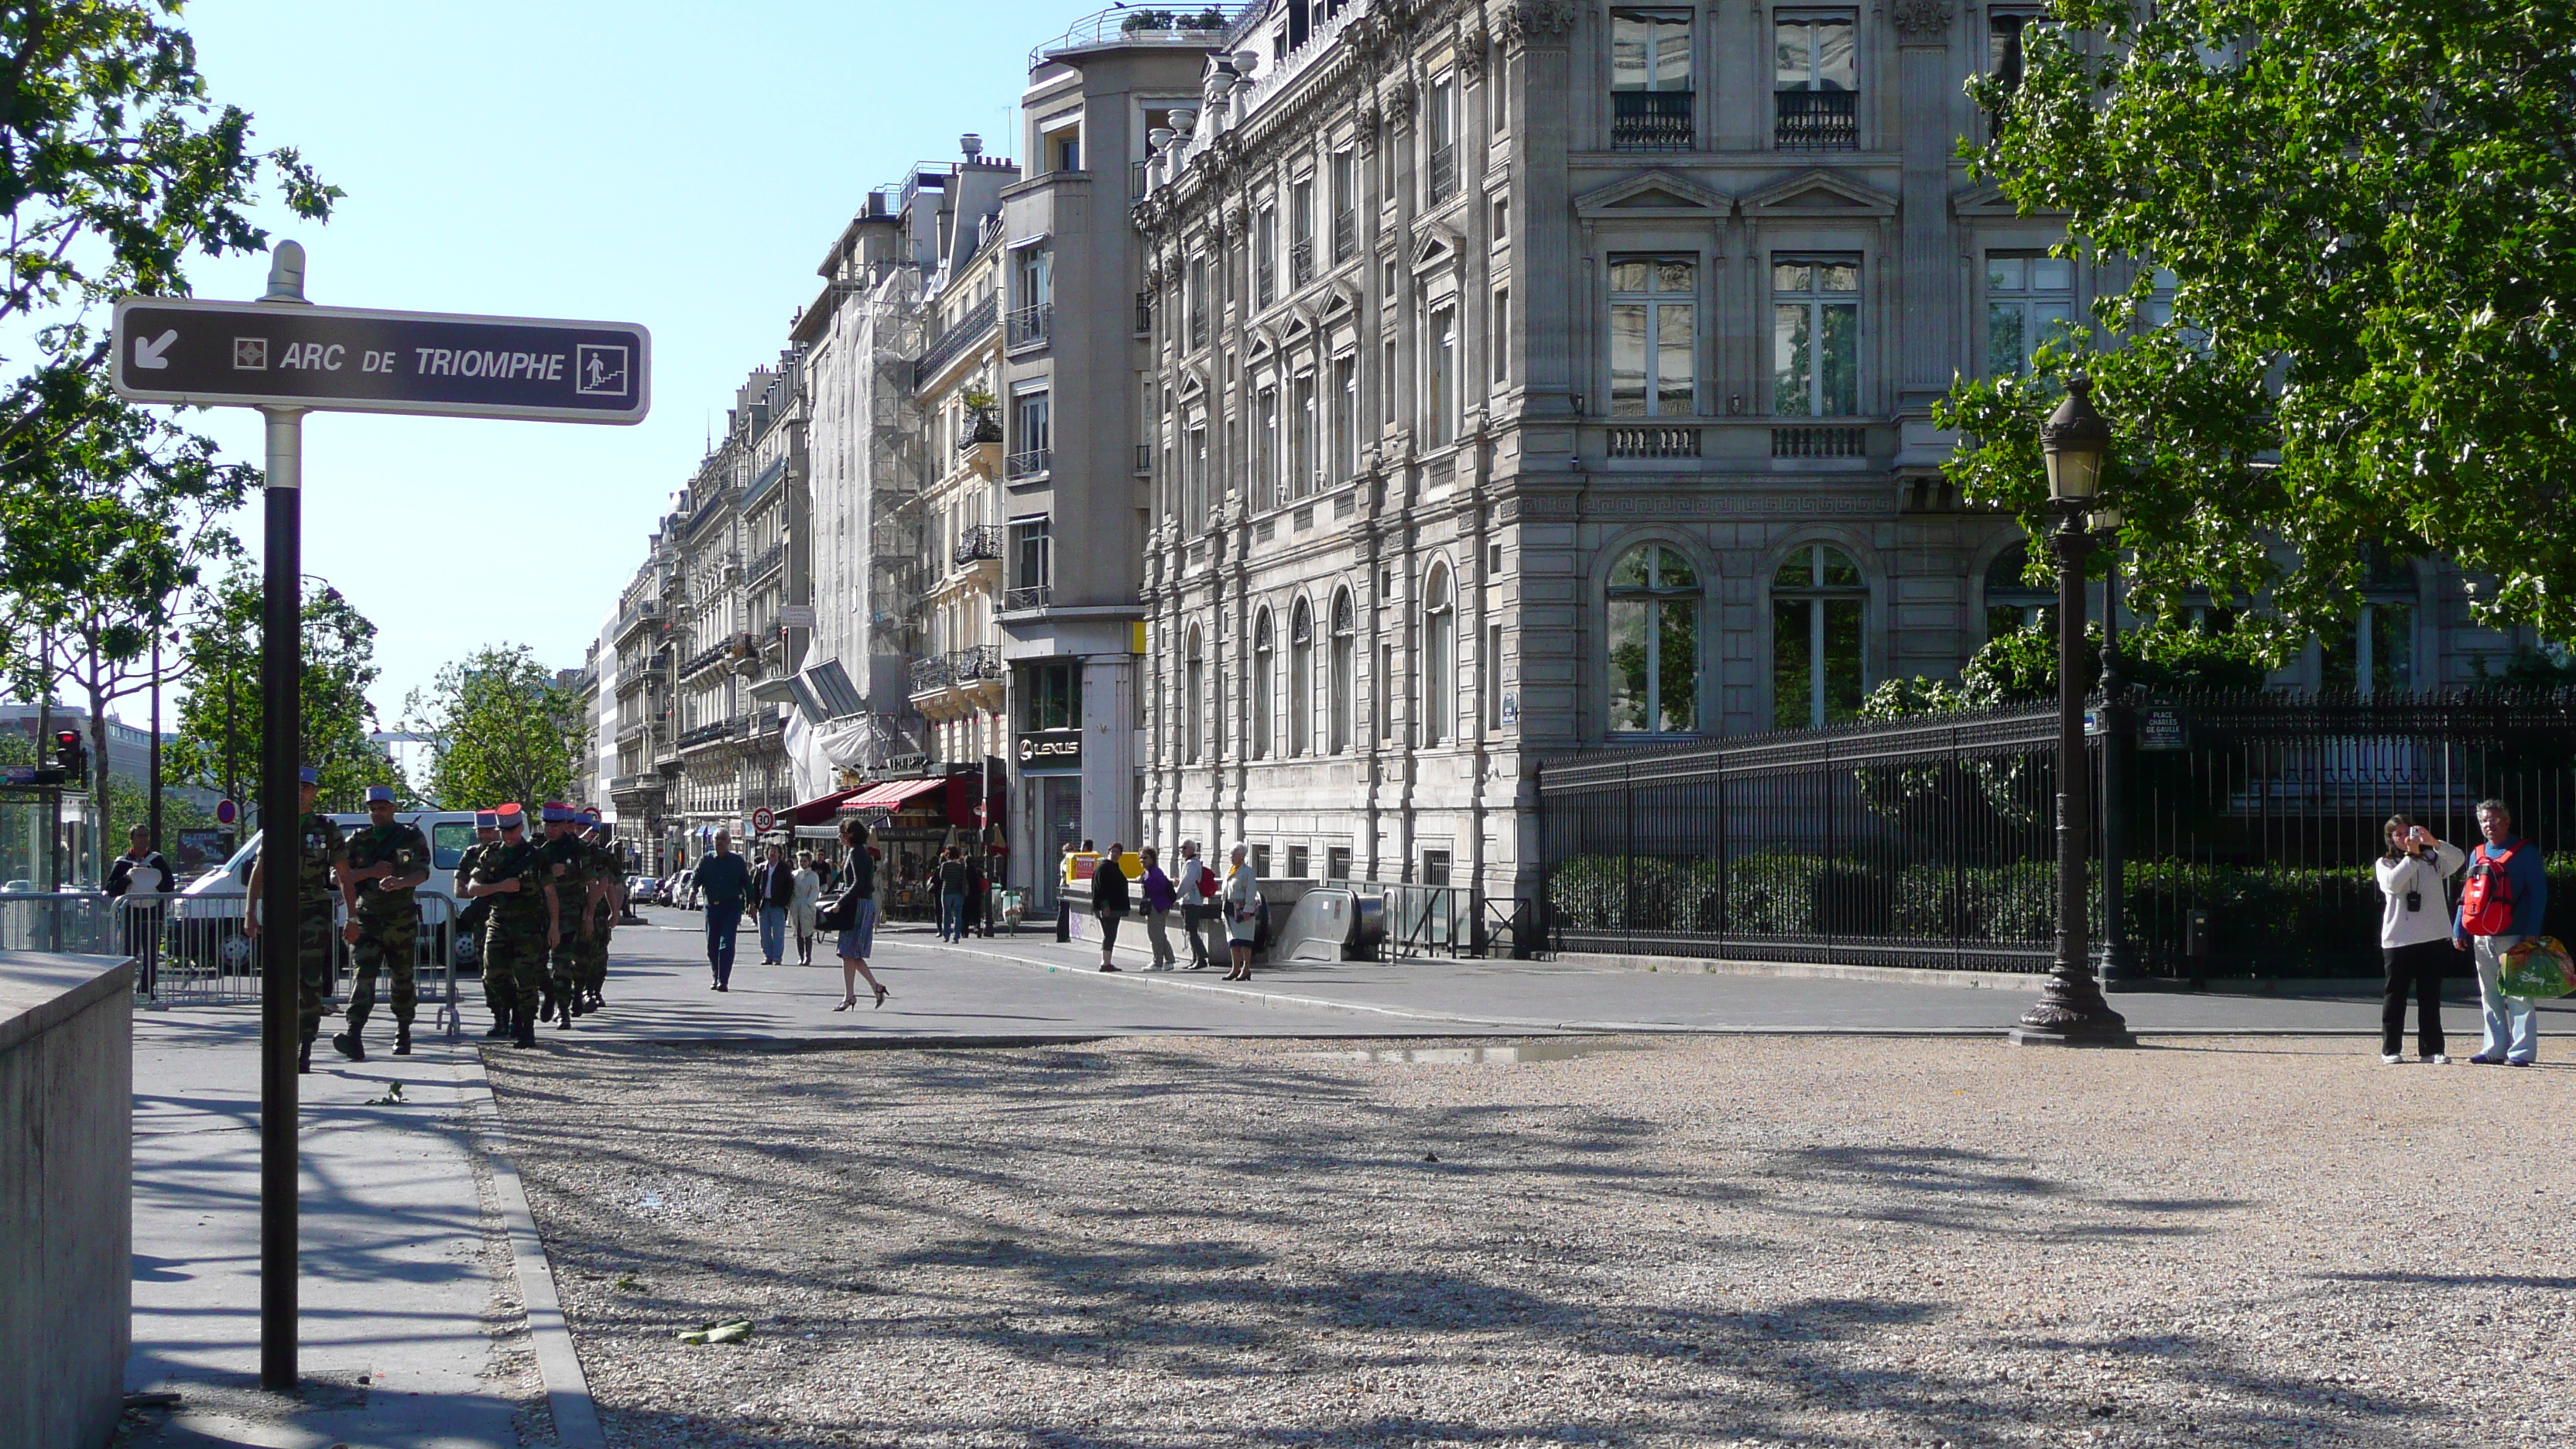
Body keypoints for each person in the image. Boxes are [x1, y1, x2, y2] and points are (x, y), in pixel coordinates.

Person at [242, 767, 348, 1073]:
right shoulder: (276, 826)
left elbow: (343, 874)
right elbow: (259, 873)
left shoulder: (327, 830)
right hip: (280, 913)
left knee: (309, 982)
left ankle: (306, 1045)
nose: (300, 792)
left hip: (313, 912)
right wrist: (251, 913)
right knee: (278, 982)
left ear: (314, 792)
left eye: (306, 787)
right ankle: (280, 1043)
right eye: (296, 787)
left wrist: (352, 915)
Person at [334, 786, 431, 1061]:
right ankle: (354, 1033)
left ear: (393, 809)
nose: (377, 813)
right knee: (362, 975)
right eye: (373, 809)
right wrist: (370, 872)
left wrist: (401, 882)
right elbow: (336, 876)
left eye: (383, 808)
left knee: (402, 976)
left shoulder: (410, 837)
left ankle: (403, 1031)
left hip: (401, 918)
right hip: (367, 919)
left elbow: (423, 871)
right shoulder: (358, 840)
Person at [2454, 798, 2550, 1066]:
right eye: (2485, 820)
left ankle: (2521, 1052)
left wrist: (2532, 930)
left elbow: (2538, 893)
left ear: (2507, 821)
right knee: (2489, 993)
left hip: (2514, 934)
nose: (2489, 825)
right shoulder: (2477, 853)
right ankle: (2494, 1048)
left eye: (2495, 819)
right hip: (2481, 935)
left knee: (2519, 993)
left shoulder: (2525, 852)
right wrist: (2459, 928)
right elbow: (2468, 894)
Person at [460, 803, 550, 1048]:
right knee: (493, 976)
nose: (508, 836)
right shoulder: (491, 855)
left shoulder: (535, 855)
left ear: (521, 828)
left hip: (528, 926)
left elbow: (550, 893)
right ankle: (514, 1010)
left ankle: (527, 1028)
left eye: (512, 830)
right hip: (498, 923)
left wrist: (553, 928)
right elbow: (472, 888)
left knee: (525, 976)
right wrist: (501, 886)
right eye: (504, 831)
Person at [2375, 815, 2463, 1064]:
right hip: (2399, 940)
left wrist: (2434, 842)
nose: (2405, 838)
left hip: (2433, 937)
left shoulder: (2433, 860)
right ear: (2391, 839)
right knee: (2396, 996)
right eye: (2398, 834)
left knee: (2430, 997)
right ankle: (2390, 1049)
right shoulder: (2385, 863)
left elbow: (2458, 860)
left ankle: (2431, 1049)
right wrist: (2411, 856)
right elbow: (2392, 885)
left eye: (2408, 832)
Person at [454, 812, 506, 1036]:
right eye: (481, 831)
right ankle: (499, 1018)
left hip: (513, 918)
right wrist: (494, 889)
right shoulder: (472, 855)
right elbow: (460, 890)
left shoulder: (511, 853)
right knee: (489, 973)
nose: (485, 835)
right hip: (483, 922)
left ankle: (518, 1017)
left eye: (489, 830)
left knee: (515, 971)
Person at [832, 818, 890, 1010]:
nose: (840, 836)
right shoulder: (858, 852)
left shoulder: (857, 853)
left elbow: (858, 884)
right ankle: (868, 990)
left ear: (850, 834)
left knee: (850, 952)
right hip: (861, 904)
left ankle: (853, 995)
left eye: (842, 833)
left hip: (858, 906)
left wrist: (840, 902)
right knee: (850, 954)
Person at [105, 824, 174, 978]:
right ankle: (127, 988)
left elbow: (169, 885)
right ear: (132, 839)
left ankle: (147, 989)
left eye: (145, 835)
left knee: (151, 954)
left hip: (153, 915)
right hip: (130, 916)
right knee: (129, 955)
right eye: (140, 836)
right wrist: (127, 878)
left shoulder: (157, 860)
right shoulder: (123, 863)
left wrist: (153, 879)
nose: (143, 839)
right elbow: (110, 889)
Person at [693, 829, 754, 991]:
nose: (719, 842)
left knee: (726, 945)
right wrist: (693, 891)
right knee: (712, 946)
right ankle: (716, 976)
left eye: (722, 839)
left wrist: (751, 903)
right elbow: (696, 878)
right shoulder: (706, 860)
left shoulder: (737, 861)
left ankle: (724, 980)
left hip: (731, 907)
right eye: (716, 839)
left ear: (728, 843)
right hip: (712, 907)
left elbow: (747, 883)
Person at [1220, 843, 1261, 981]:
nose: (1231, 857)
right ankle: (1235, 968)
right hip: (1229, 909)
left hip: (1242, 910)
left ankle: (1246, 968)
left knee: (1245, 941)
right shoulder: (1230, 870)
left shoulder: (1247, 872)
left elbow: (1251, 892)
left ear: (1241, 856)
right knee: (1233, 941)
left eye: (1233, 854)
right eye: (1230, 854)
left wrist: (1248, 909)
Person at [1174, 840, 1218, 971]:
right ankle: (1195, 959)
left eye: (1184, 848)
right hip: (1191, 901)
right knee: (1190, 931)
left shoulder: (1191, 864)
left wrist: (1175, 897)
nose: (1182, 851)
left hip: (1191, 902)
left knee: (1191, 931)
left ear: (1192, 850)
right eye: (1181, 848)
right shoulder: (1191, 863)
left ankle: (1201, 958)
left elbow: (1187, 883)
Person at [1091, 842, 1132, 971]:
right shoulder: (1104, 867)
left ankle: (1106, 961)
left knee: (1110, 934)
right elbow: (1100, 888)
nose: (1115, 854)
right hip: (1109, 908)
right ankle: (1105, 963)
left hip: (1114, 907)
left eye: (1117, 852)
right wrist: (1105, 905)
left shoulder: (1113, 867)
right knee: (1110, 934)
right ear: (1108, 852)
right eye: (1112, 851)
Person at [1139, 846, 1178, 969]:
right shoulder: (1148, 872)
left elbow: (1158, 887)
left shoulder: (1155, 872)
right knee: (1160, 934)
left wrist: (1144, 881)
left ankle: (1157, 962)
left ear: (1152, 858)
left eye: (1145, 857)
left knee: (1155, 935)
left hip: (1158, 906)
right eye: (1140, 858)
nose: (1142, 860)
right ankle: (1170, 960)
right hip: (1156, 906)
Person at [756, 841, 795, 964]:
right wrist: (754, 903)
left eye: (775, 852)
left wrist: (784, 902)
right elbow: (755, 886)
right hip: (764, 904)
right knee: (764, 932)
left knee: (778, 933)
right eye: (770, 851)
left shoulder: (784, 869)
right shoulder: (761, 868)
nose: (772, 854)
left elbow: (790, 887)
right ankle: (768, 956)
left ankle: (777, 957)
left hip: (778, 905)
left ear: (779, 854)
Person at [790, 851, 823, 965]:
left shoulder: (813, 876)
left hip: (807, 906)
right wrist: (791, 904)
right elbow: (791, 890)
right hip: (796, 905)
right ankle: (801, 956)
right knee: (798, 933)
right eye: (800, 861)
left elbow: (815, 890)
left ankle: (808, 956)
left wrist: (809, 903)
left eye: (805, 861)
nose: (802, 863)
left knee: (807, 932)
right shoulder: (794, 874)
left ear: (809, 862)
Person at [937, 847, 971, 943]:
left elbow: (941, 877)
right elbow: (963, 878)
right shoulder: (960, 866)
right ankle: (956, 936)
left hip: (947, 891)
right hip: (958, 892)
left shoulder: (945, 865)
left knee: (946, 914)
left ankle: (946, 935)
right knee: (957, 915)